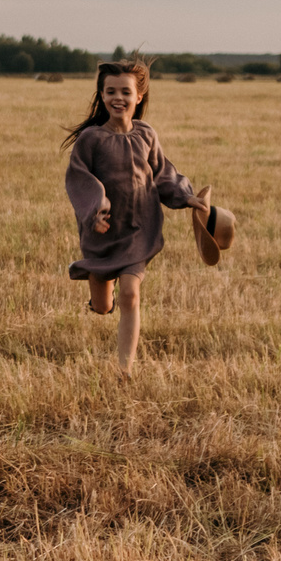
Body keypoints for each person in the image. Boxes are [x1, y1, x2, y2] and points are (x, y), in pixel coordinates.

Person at [64, 58, 212, 375]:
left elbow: (162, 174)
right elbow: (78, 178)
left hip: (139, 232)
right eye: (111, 91)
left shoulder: (146, 134)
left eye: (125, 92)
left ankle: (124, 370)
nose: (118, 98)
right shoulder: (91, 139)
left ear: (138, 96)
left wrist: (187, 197)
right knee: (103, 306)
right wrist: (95, 209)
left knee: (130, 295)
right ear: (102, 96)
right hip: (103, 234)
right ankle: (99, 295)